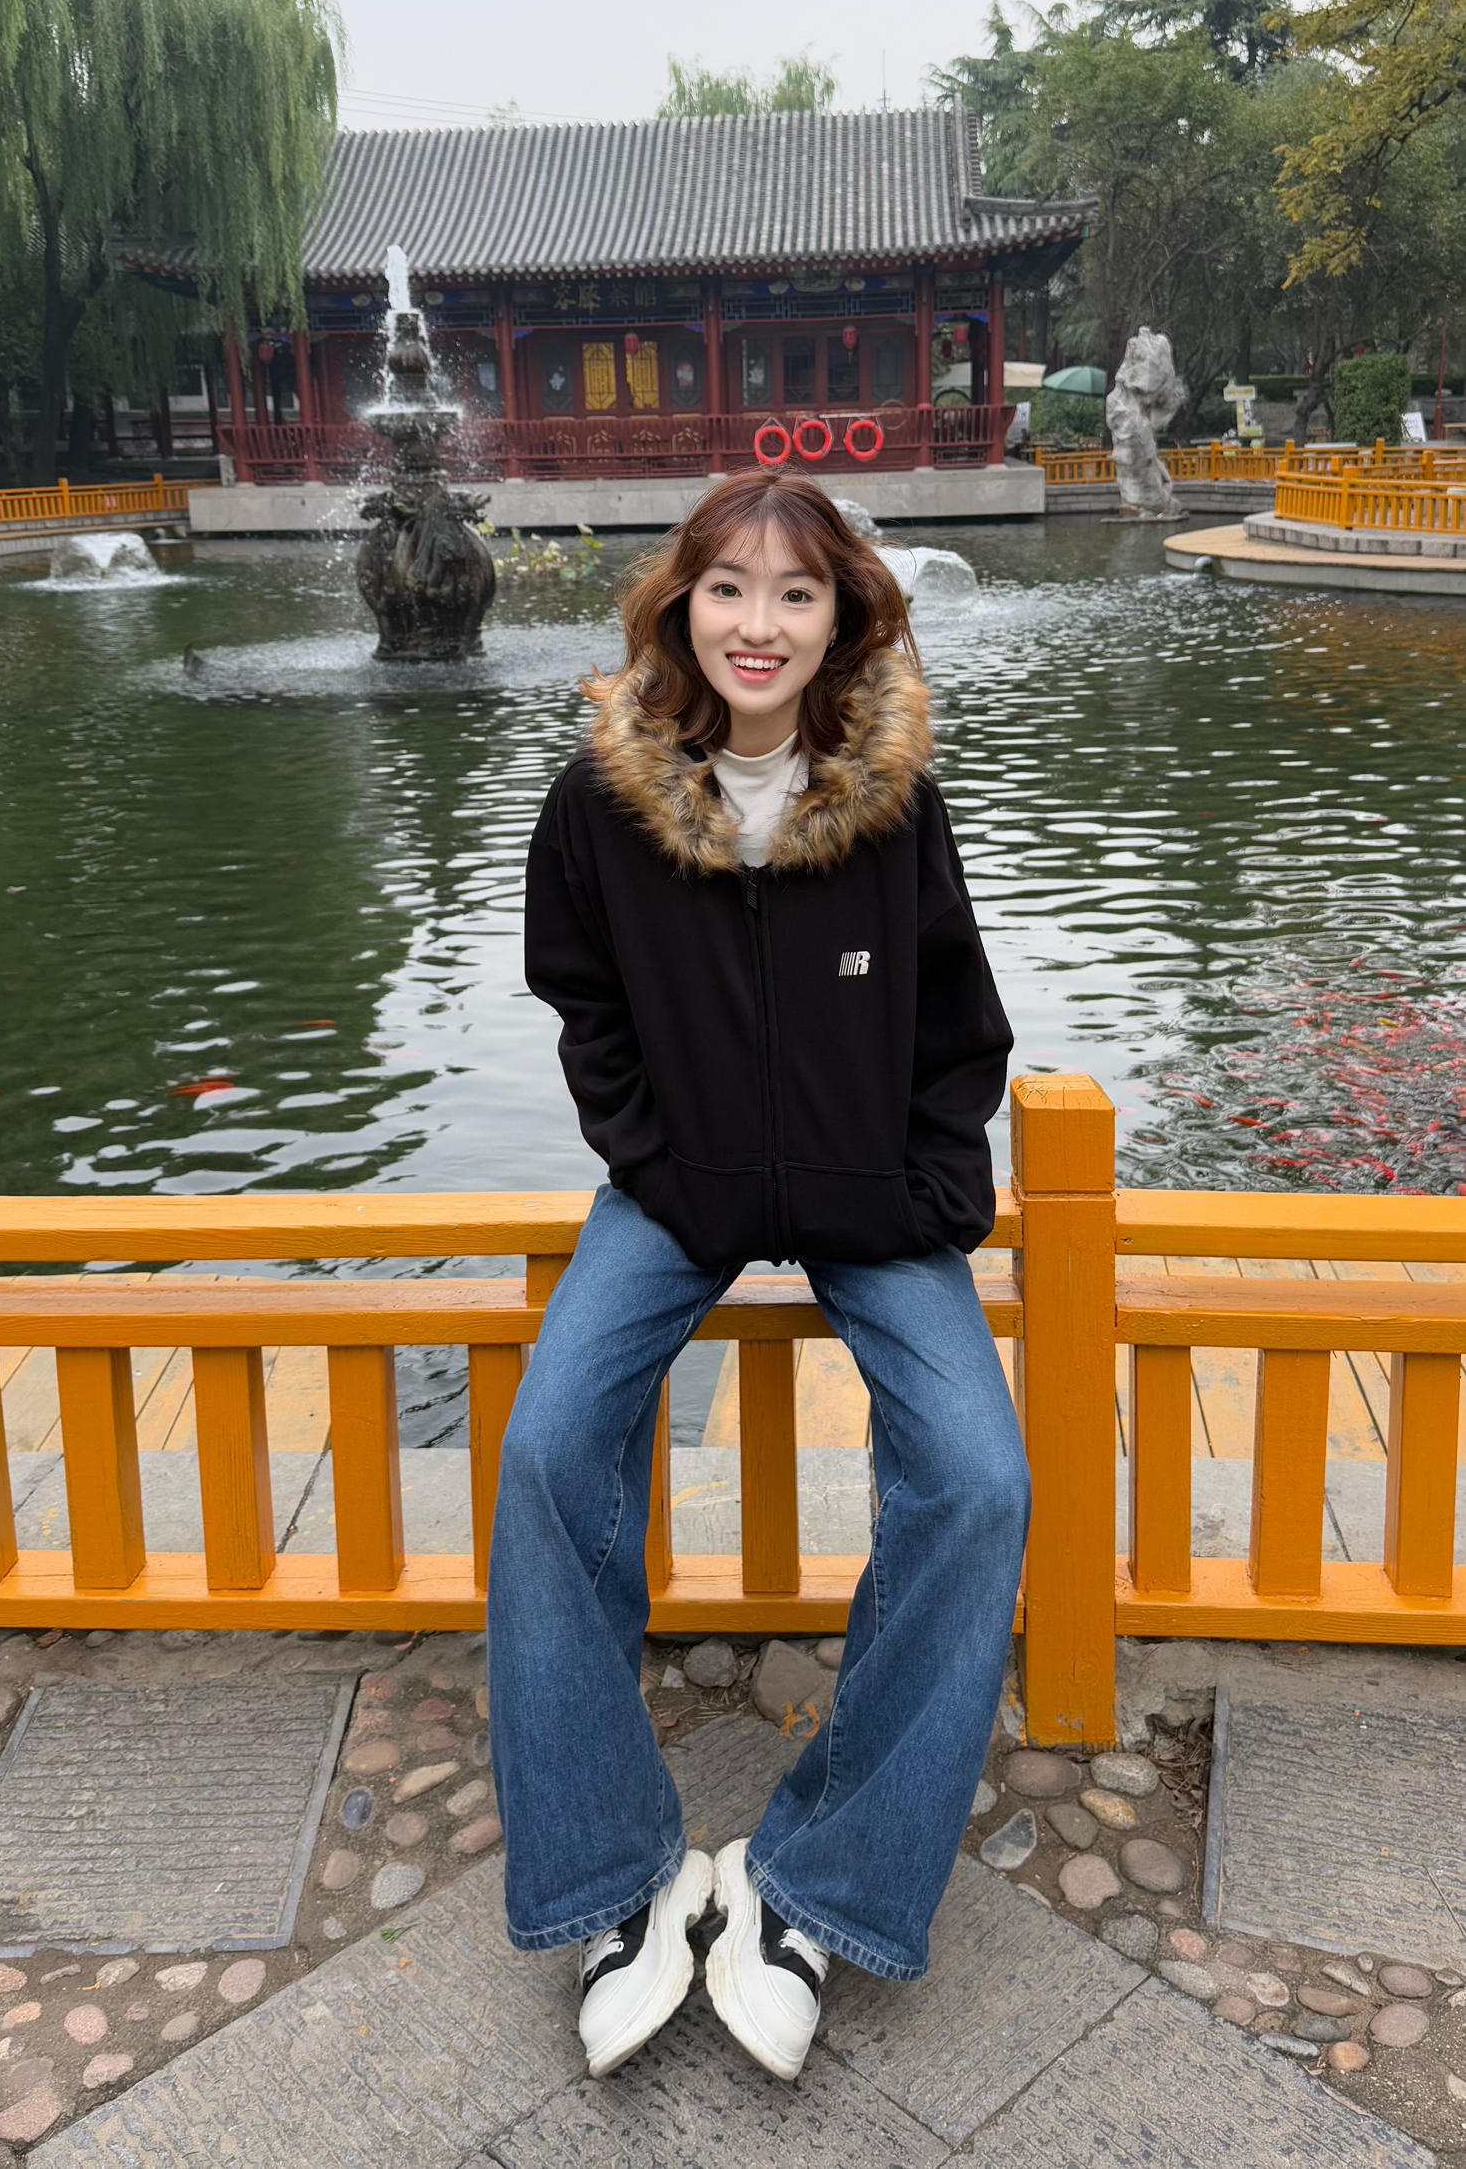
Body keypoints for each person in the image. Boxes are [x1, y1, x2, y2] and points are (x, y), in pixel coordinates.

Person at [488, 472, 1028, 2086]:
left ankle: (814, 1885)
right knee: (546, 1447)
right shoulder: (605, 800)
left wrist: (930, 1185)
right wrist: (657, 1157)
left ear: (843, 612)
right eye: (730, 586)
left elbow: (960, 1015)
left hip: (874, 1198)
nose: (759, 624)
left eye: (797, 592)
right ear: (682, 601)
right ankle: (620, 1880)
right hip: (680, 1191)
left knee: (982, 1477)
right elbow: (580, 994)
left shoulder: (891, 796)